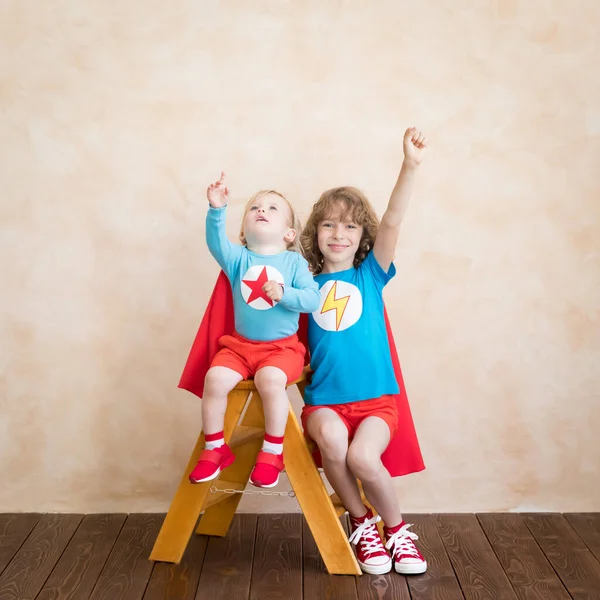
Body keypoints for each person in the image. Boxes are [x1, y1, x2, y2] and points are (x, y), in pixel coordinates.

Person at [300, 128, 428, 575]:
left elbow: (391, 221)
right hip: (324, 404)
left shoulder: (370, 276)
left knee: (361, 457)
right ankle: (362, 524)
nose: (338, 233)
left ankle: (396, 531)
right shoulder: (304, 289)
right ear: (314, 232)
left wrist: (409, 166)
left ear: (363, 236)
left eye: (350, 226)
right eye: (329, 224)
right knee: (333, 442)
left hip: (376, 403)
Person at [189, 172, 320, 488]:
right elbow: (215, 241)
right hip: (239, 347)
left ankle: (273, 451)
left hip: (282, 349)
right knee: (215, 378)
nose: (262, 210)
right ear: (244, 230)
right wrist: (217, 209)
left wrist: (285, 293)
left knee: (270, 379)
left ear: (289, 233)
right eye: (255, 208)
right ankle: (215, 447)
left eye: (273, 208)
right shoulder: (237, 258)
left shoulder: (293, 264)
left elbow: (312, 299)